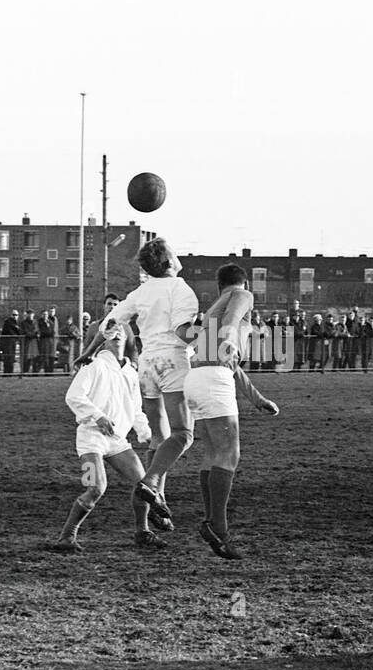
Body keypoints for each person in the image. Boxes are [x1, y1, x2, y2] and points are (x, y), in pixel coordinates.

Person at [86, 237, 199, 533]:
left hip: (147, 365)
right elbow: (182, 330)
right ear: (168, 262)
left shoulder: (141, 291)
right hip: (173, 361)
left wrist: (87, 352)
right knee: (184, 435)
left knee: (159, 440)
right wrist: (219, 342)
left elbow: (109, 323)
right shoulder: (181, 289)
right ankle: (150, 483)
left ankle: (155, 506)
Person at [184, 263, 280, 559]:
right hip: (214, 378)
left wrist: (257, 398)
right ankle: (220, 529)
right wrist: (227, 338)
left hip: (198, 378)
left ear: (218, 285)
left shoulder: (212, 307)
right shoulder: (242, 295)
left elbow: (229, 362)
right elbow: (234, 316)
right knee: (229, 453)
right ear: (244, 282)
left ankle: (213, 523)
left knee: (213, 453)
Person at [51, 321, 162, 552]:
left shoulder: (130, 371)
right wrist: (98, 416)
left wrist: (146, 433)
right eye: (112, 331)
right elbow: (74, 397)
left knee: (144, 486)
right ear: (102, 338)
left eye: (122, 329)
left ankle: (142, 532)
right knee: (95, 488)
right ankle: (66, 536)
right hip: (91, 438)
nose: (118, 333)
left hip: (118, 441)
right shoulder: (93, 366)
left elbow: (136, 408)